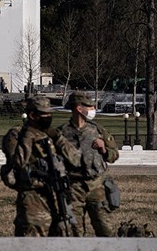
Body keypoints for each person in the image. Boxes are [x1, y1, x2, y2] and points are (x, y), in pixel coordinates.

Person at [12, 95, 81, 237]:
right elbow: (19, 162)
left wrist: (58, 138)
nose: (48, 117)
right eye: (45, 114)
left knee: (64, 236)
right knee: (34, 240)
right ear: (32, 115)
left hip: (58, 195)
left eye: (50, 114)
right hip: (33, 197)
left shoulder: (52, 135)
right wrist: (29, 136)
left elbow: (75, 160)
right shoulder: (17, 135)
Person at [59, 91, 119, 237]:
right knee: (73, 232)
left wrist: (103, 148)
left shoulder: (98, 130)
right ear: (79, 108)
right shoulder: (61, 133)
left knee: (106, 230)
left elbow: (113, 155)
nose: (92, 109)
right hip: (73, 189)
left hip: (97, 186)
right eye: (89, 106)